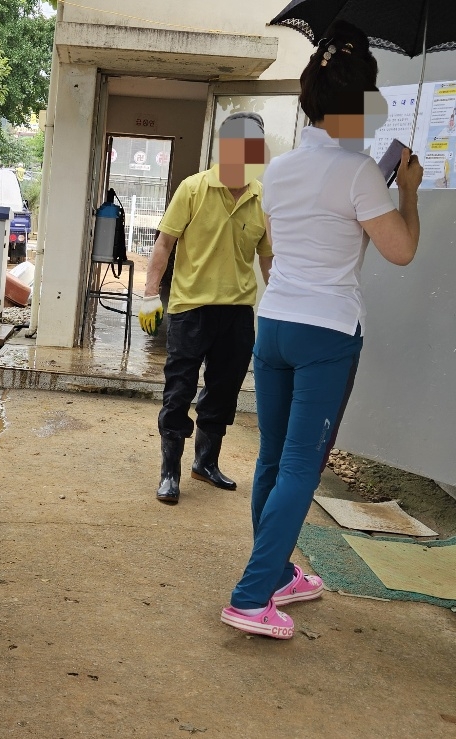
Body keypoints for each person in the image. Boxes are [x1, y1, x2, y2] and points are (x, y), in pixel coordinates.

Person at [219, 21, 424, 639]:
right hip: (328, 332)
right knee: (303, 465)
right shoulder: (362, 172)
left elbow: (282, 249)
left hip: (275, 323)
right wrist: (408, 192)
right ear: (359, 105)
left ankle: (278, 574)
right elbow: (402, 251)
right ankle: (252, 596)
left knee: (273, 459)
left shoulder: (277, 171)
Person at [141, 112, 273, 505]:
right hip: (190, 309)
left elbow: (268, 259)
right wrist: (150, 293)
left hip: (236, 314)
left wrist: (282, 301)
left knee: (223, 391)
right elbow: (164, 244)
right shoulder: (193, 189)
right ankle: (170, 471)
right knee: (179, 390)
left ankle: (205, 462)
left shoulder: (262, 198)